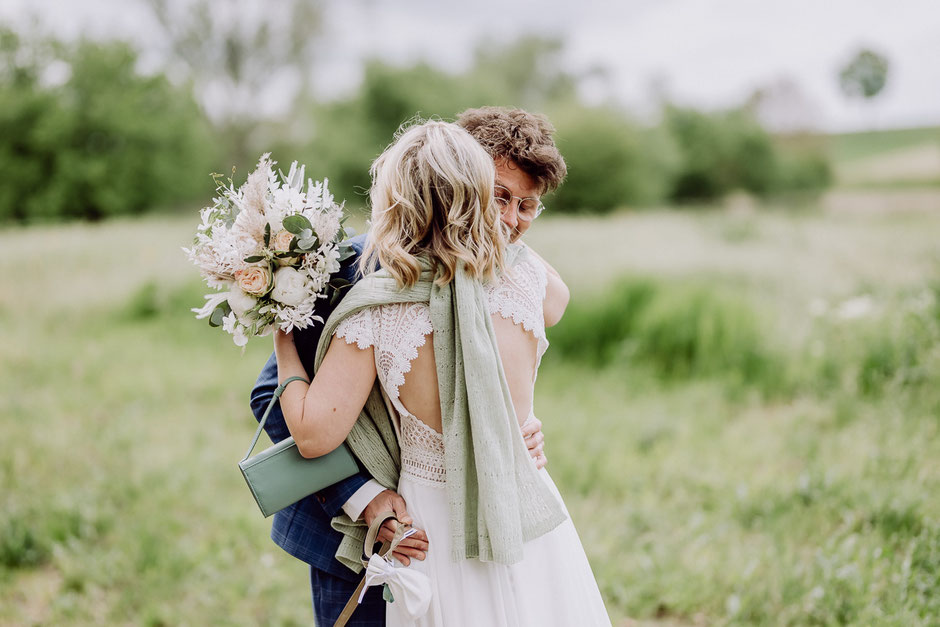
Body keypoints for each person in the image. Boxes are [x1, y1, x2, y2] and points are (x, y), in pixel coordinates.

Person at [272, 120, 611, 625]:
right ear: (474, 190)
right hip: (512, 521)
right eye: (499, 198)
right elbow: (554, 299)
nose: (512, 219)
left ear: (393, 196)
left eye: (525, 206)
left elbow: (313, 433)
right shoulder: (530, 282)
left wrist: (280, 331)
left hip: (431, 524)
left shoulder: (375, 310)